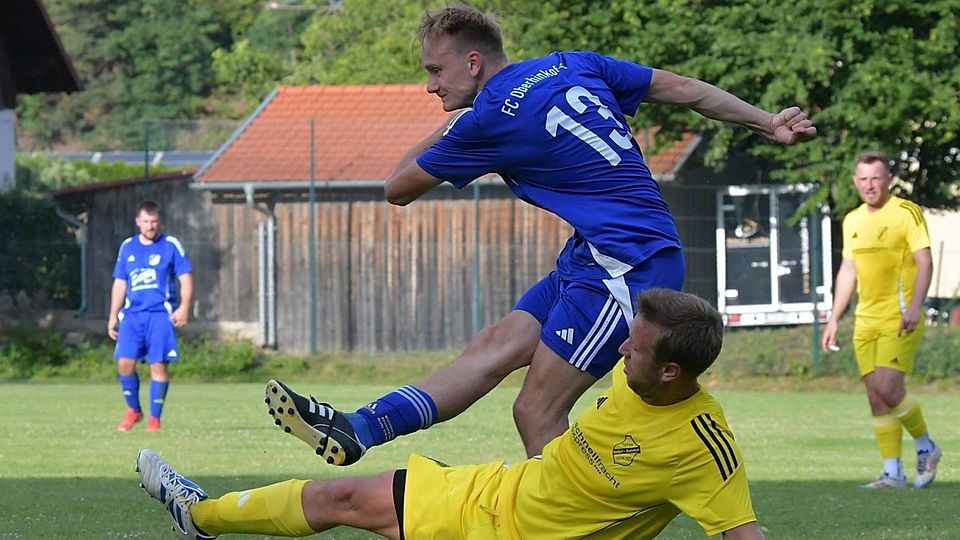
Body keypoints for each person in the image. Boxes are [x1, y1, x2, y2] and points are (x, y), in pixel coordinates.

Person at [280, 4, 816, 466]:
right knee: (493, 347)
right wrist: (766, 121)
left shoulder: (487, 119)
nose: (430, 86)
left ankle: (572, 521)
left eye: (435, 70)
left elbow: (396, 187)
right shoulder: (571, 64)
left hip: (626, 265)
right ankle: (359, 429)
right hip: (596, 254)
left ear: (474, 62)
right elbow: (682, 88)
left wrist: (456, 124)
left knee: (536, 410)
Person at [138, 288, 765, 540]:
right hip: (494, 492)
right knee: (344, 497)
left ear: (672, 372)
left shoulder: (702, 446)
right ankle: (197, 516)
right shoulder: (638, 375)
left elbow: (744, 533)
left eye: (636, 347)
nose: (621, 348)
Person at [822, 151, 941, 489]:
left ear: (889, 179)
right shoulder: (853, 220)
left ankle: (926, 446)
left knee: (889, 387)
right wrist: (834, 318)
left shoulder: (906, 212)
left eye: (875, 178)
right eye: (863, 179)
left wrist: (916, 306)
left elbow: (925, 261)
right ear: (854, 182)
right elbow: (848, 270)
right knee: (875, 395)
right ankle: (893, 473)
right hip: (865, 319)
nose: (869, 185)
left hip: (899, 316)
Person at [108, 199, 193, 432]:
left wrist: (184, 307)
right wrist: (113, 315)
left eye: (154, 221)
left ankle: (155, 419)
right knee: (125, 363)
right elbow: (120, 282)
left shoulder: (170, 245)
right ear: (138, 222)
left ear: (159, 221)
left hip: (159, 315)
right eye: (145, 221)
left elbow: (185, 278)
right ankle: (134, 410)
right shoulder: (127, 247)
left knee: (159, 366)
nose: (150, 226)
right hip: (132, 315)